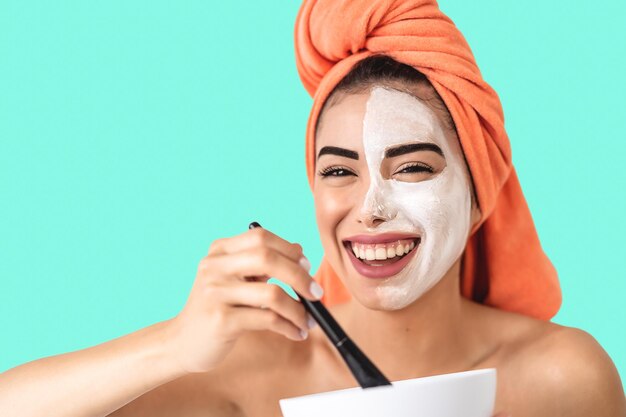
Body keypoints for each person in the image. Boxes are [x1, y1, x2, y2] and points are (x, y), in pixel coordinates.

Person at [1, 1, 624, 417]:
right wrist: (174, 345)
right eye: (338, 171)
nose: (369, 208)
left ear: (479, 190)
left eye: (412, 167)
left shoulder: (561, 378)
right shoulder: (252, 369)